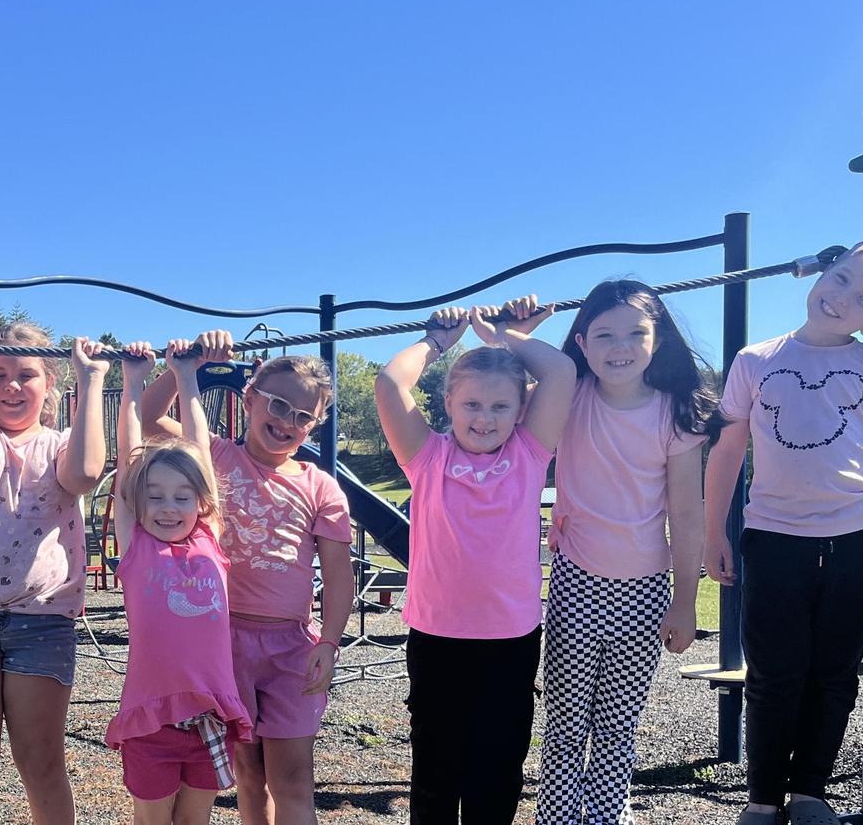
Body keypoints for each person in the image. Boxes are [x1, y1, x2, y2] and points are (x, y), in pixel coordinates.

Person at [704, 241, 863, 825]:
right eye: (841, 278)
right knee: (774, 672)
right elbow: (727, 451)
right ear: (825, 272)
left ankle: (809, 791)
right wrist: (713, 534)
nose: (840, 297)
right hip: (774, 537)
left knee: (833, 672)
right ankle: (761, 797)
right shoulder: (756, 359)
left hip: (860, 538)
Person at [374, 297, 577, 825]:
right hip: (438, 638)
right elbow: (389, 384)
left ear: (521, 410)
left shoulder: (529, 453)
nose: (484, 419)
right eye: (471, 405)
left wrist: (504, 336)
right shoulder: (427, 456)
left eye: (499, 407)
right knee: (437, 770)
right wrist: (436, 341)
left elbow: (560, 371)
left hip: (509, 640)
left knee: (498, 766)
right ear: (448, 402)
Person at [139, 335, 355, 825]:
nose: (288, 421)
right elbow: (150, 421)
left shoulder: (320, 485)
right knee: (247, 773)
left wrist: (331, 641)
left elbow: (338, 574)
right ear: (249, 396)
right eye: (278, 404)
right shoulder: (212, 457)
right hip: (223, 639)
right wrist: (183, 368)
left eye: (304, 416)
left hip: (291, 646)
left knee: (294, 777)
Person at [530, 281, 716, 825]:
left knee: (617, 723)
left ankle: (608, 817)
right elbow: (530, 367)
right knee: (564, 721)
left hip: (645, 588)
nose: (621, 346)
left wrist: (686, 601)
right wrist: (515, 330)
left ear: (657, 341)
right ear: (582, 343)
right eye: (605, 334)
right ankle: (559, 820)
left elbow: (685, 514)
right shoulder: (569, 396)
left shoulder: (675, 412)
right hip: (577, 581)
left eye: (636, 333)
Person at [0, 323, 108, 825]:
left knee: (42, 764)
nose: (11, 386)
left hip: (43, 620)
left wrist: (91, 380)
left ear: (49, 384)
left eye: (26, 375)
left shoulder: (60, 444)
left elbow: (86, 474)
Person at [107, 339, 253, 825]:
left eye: (181, 497)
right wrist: (132, 384)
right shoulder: (138, 548)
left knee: (196, 820)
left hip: (209, 717)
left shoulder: (209, 539)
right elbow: (130, 456)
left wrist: (188, 377)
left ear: (201, 503)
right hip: (151, 721)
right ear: (138, 502)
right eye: (155, 497)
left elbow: (200, 450)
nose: (168, 508)